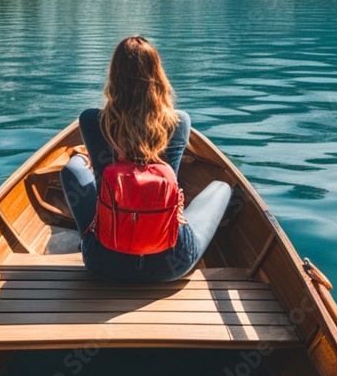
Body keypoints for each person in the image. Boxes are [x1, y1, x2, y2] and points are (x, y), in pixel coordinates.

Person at [60, 36, 232, 283]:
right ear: (157, 76)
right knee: (222, 187)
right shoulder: (179, 121)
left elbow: (86, 175)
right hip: (171, 262)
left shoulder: (91, 120)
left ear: (114, 76)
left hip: (104, 262)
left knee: (72, 168)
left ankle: (97, 239)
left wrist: (82, 158)